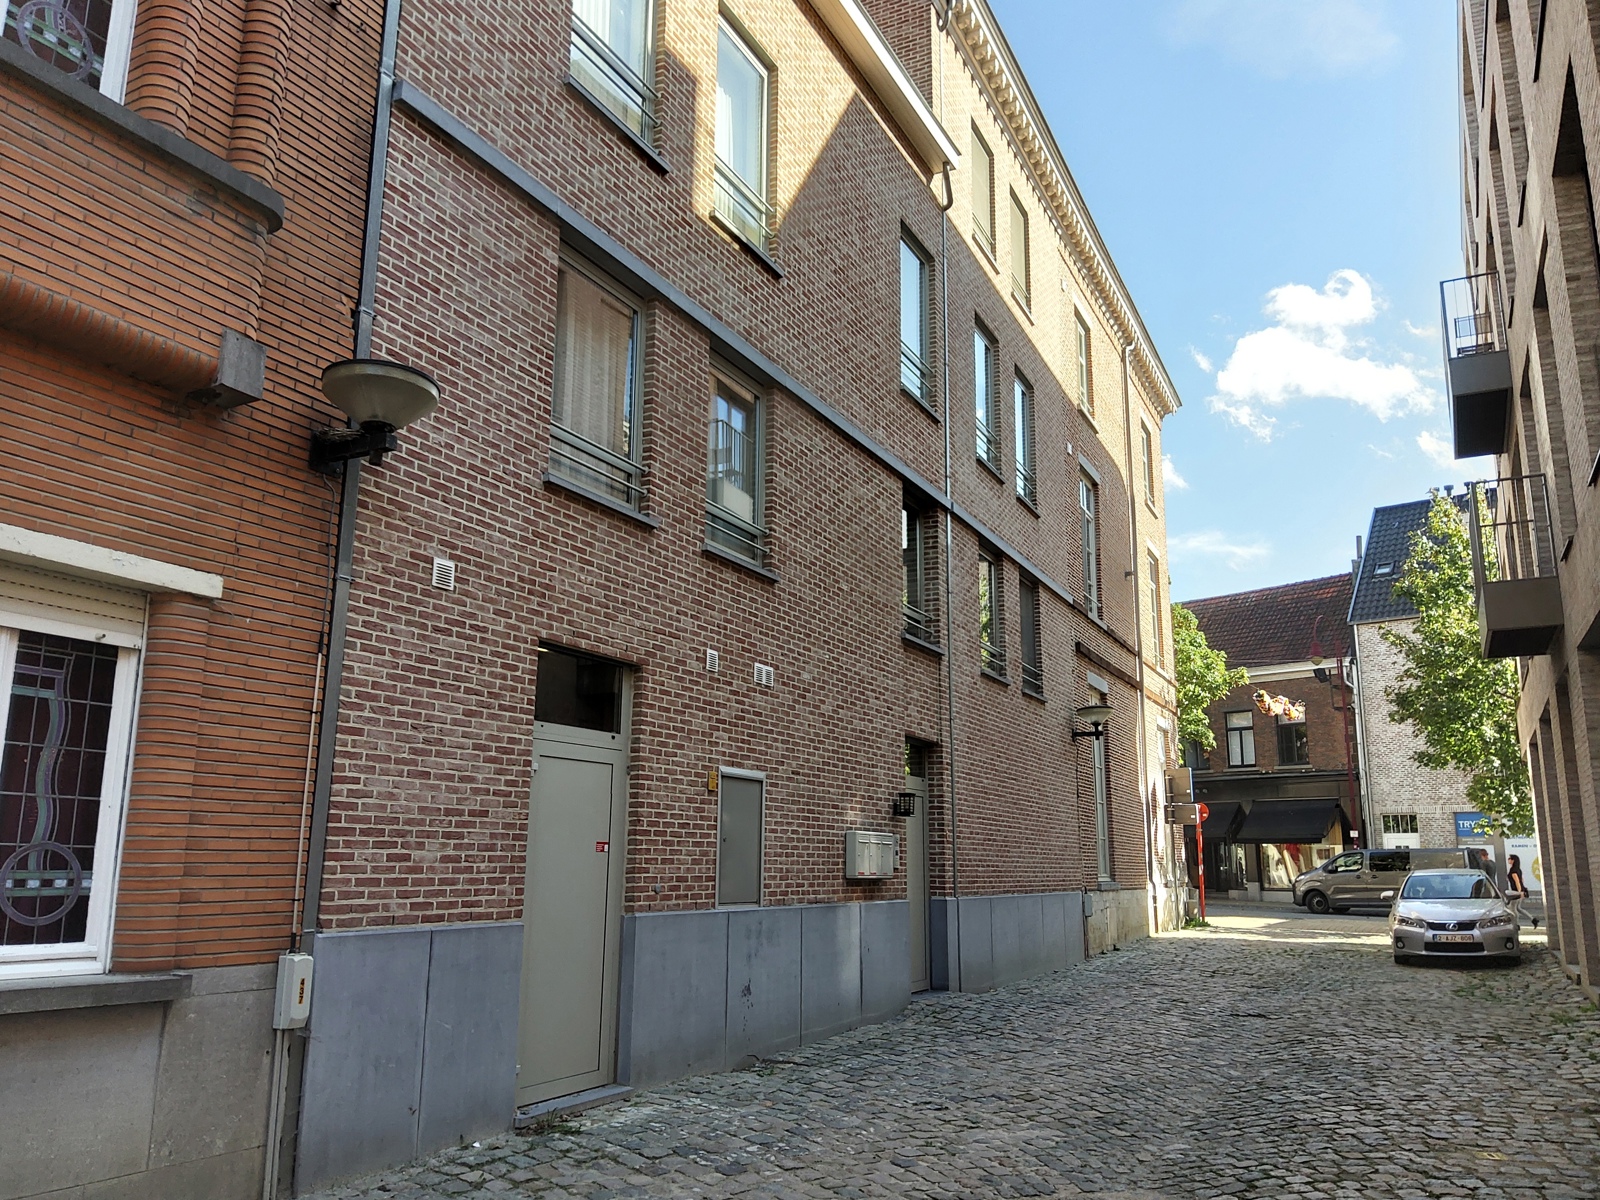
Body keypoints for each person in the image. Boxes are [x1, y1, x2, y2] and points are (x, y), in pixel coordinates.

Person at [1506, 854, 1532, 927]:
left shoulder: (1513, 870)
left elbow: (1517, 881)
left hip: (1516, 891)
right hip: (1520, 890)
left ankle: (1516, 924)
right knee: (1518, 908)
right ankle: (1532, 919)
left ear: (1513, 860)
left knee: (1513, 908)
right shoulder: (1517, 869)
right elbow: (1521, 880)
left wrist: (1519, 892)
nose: (1508, 860)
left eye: (1509, 858)